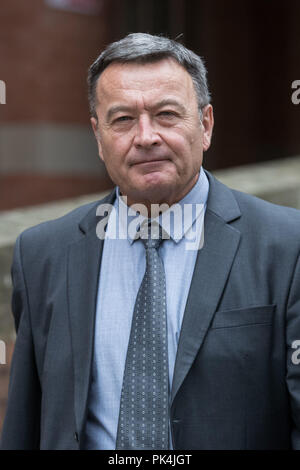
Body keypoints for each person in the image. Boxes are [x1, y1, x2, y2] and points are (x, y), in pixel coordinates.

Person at [1, 32, 300, 450]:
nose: (145, 137)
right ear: (98, 137)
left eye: (166, 114)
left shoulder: (287, 246)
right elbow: (25, 425)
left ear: (206, 124)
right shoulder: (44, 254)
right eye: (122, 119)